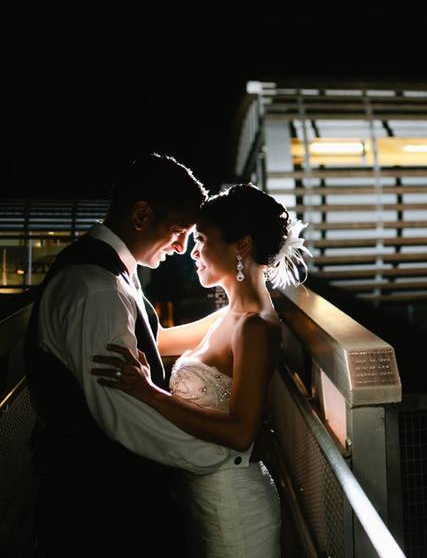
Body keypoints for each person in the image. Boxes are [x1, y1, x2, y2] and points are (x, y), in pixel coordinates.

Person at [24, 154, 254, 558]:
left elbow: (155, 343)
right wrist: (219, 456)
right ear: (141, 214)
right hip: (102, 510)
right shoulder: (98, 288)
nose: (183, 248)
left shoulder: (110, 272)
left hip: (106, 498)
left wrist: (248, 306)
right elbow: (120, 414)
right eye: (179, 230)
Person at [92, 183, 311, 558]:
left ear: (241, 246)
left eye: (202, 239)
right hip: (204, 496)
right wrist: (127, 270)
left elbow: (241, 432)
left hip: (236, 506)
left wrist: (148, 392)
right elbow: (157, 340)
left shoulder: (256, 327)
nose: (193, 251)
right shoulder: (228, 316)